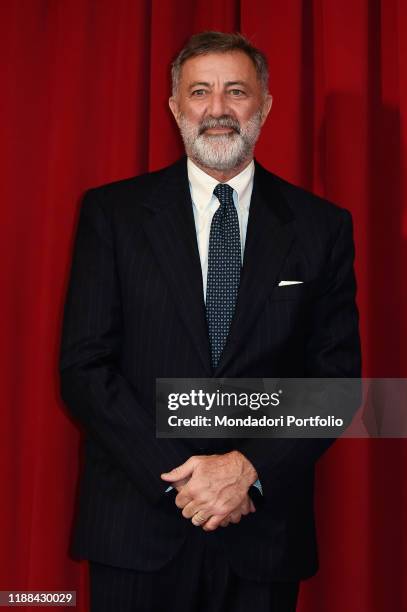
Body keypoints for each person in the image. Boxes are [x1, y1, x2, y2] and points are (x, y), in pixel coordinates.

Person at [59, 31, 361, 612]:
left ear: (265, 105)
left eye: (236, 92)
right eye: (199, 92)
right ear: (175, 107)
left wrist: (247, 469)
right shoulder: (113, 215)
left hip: (264, 534)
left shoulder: (322, 227)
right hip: (136, 527)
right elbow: (85, 368)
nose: (218, 109)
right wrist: (185, 482)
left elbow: (336, 381)